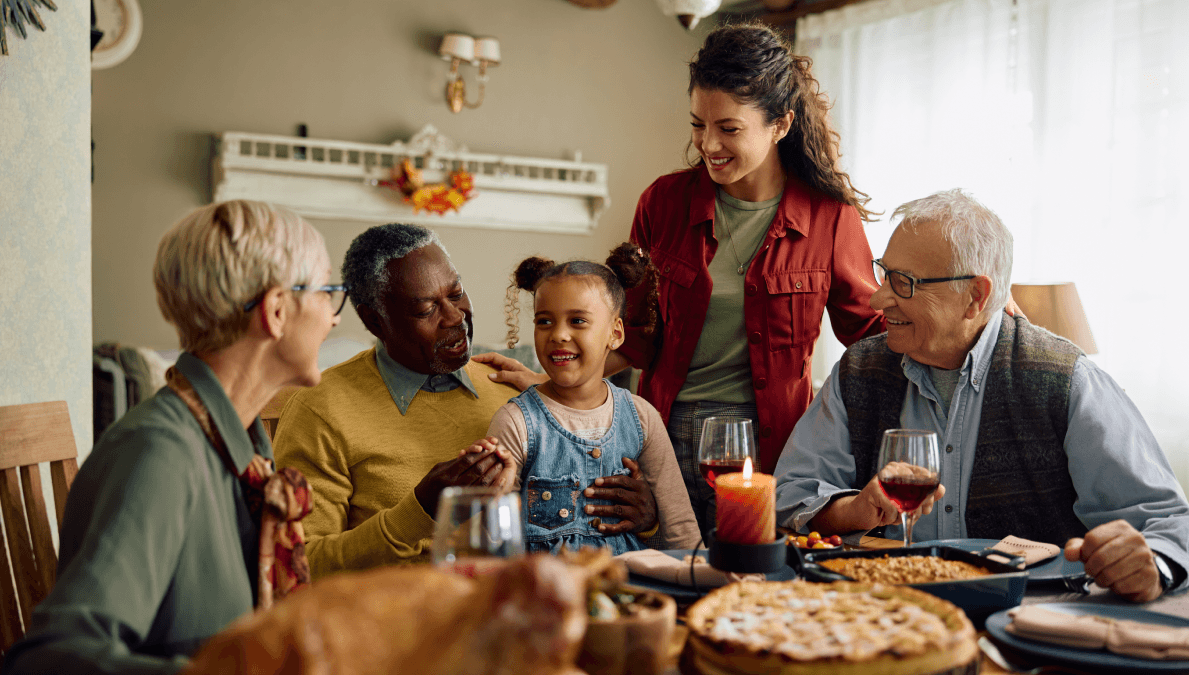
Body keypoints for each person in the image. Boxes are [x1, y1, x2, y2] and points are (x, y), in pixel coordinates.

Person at [774, 189, 1189, 603]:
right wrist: (856, 510)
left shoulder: (1067, 380)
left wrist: (1152, 564)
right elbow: (788, 494)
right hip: (890, 613)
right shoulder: (858, 371)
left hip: (1026, 622)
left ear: (975, 296)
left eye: (904, 283)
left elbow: (1171, 523)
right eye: (884, 273)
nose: (879, 297)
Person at [2, 200, 343, 673]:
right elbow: (51, 659)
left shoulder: (245, 454)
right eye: (328, 292)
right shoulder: (160, 455)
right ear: (277, 311)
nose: (335, 317)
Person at [614, 23, 884, 540]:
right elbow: (630, 337)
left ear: (780, 123)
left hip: (775, 445)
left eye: (729, 129)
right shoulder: (662, 203)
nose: (707, 144)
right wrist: (547, 383)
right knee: (665, 580)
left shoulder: (829, 216)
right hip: (664, 435)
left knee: (755, 592)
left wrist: (969, 324)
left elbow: (870, 332)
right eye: (698, 124)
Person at [272, 223, 659, 577]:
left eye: (457, 293)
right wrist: (419, 511)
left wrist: (645, 515)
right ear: (375, 321)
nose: (455, 317)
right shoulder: (320, 409)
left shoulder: (513, 391)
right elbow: (299, 566)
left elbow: (573, 511)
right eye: (426, 309)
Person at [472, 244, 701, 553]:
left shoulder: (642, 416)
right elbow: (495, 539)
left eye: (577, 321)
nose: (558, 335)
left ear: (616, 334)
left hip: (629, 588)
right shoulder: (515, 421)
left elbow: (680, 529)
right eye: (544, 321)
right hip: (546, 592)